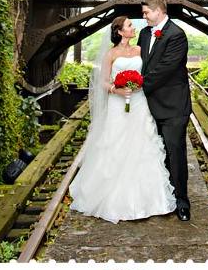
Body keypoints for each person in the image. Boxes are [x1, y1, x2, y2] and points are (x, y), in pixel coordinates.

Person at [68, 16, 176, 224]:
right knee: (116, 143)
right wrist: (117, 90)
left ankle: (151, 199)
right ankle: (112, 197)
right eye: (129, 25)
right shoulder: (111, 54)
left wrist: (138, 85)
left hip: (139, 102)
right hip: (119, 105)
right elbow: (103, 82)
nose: (133, 27)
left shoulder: (140, 51)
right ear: (119, 32)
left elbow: (148, 72)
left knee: (143, 142)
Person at [138, 0, 192, 221]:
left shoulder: (176, 35)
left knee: (175, 152)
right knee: (153, 153)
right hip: (148, 106)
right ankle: (160, 197)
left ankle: (181, 201)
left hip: (173, 106)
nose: (143, 17)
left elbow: (165, 69)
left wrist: (138, 85)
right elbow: (141, 63)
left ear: (158, 11)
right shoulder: (143, 34)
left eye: (145, 13)